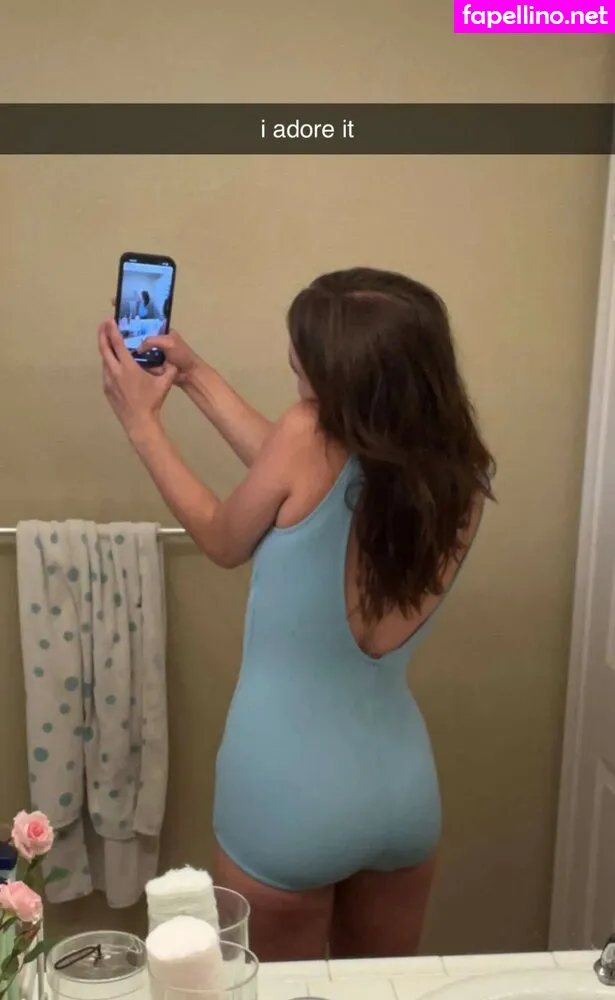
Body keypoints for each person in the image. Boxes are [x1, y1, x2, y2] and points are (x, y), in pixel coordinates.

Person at [98, 267, 494, 962]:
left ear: (346, 379)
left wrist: (141, 422)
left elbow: (224, 536)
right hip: (401, 795)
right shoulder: (455, 474)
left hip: (284, 792)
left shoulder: (306, 434)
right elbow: (300, 480)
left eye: (303, 366)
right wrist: (193, 375)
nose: (295, 370)